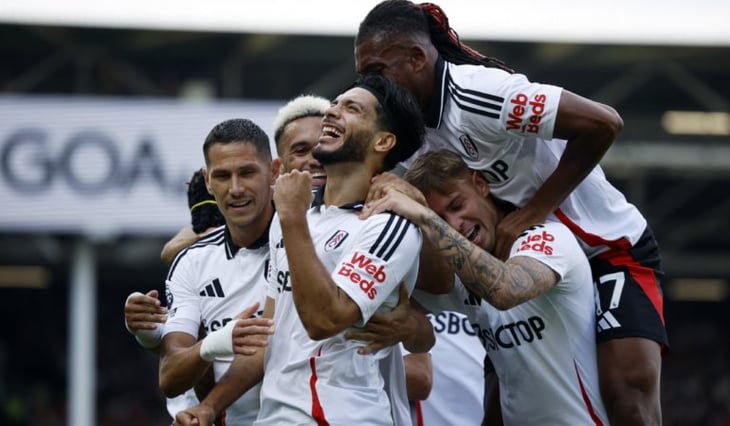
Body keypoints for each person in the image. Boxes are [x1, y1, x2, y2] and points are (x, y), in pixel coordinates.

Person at [355, 2, 667, 424]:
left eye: (377, 71)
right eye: (363, 77)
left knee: (626, 397)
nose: (371, 86)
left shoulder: (480, 93)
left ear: (416, 58)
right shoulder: (411, 135)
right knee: (498, 410)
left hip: (604, 247)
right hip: (518, 260)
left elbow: (603, 123)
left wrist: (536, 210)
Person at [173, 73, 431, 426]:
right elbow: (272, 332)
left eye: (351, 108)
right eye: (335, 104)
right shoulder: (294, 214)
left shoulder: (389, 225)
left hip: (341, 416)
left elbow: (325, 321)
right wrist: (210, 406)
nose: (332, 113)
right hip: (277, 416)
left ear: (383, 141)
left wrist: (292, 217)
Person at [361, 150, 609, 424]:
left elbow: (505, 291)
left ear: (480, 185)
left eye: (457, 205)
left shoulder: (549, 238)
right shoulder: (462, 274)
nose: (455, 225)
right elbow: (413, 309)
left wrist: (425, 217)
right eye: (442, 219)